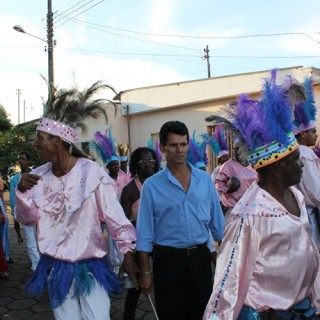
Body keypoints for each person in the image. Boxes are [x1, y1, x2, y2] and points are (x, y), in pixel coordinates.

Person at [14, 82, 138, 320]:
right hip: (56, 267)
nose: (35, 144)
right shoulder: (38, 176)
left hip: (90, 266)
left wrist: (128, 255)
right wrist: (21, 192)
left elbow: (115, 218)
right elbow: (27, 219)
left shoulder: (91, 173)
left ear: (57, 142)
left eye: (40, 138)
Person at [203, 70, 320, 319]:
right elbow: (227, 283)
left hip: (303, 310)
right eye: (296, 160)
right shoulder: (248, 216)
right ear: (278, 166)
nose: (302, 165)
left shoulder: (296, 197)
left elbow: (308, 253)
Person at [136, 120, 225, 320]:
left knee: (203, 313)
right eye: (173, 145)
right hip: (167, 261)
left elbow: (219, 227)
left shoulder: (205, 181)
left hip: (199, 260)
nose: (179, 150)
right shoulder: (151, 186)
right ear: (163, 147)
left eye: (183, 144)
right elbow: (144, 233)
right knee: (171, 314)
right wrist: (145, 271)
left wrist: (225, 261)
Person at [120, 147, 159, 320]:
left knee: (164, 278)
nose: (149, 165)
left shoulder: (160, 184)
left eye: (152, 161)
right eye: (144, 162)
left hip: (160, 240)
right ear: (136, 165)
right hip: (139, 240)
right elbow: (123, 221)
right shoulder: (129, 189)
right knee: (136, 283)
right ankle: (128, 315)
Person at [289, 76, 320, 248]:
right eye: (313, 131)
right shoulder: (306, 153)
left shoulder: (294, 153)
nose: (316, 135)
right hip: (309, 216)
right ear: (302, 134)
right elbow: (316, 191)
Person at [10, 151, 40, 271]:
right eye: (19, 159)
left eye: (23, 159)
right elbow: (13, 199)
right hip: (25, 214)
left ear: (28, 161)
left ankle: (45, 262)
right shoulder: (15, 179)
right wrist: (15, 217)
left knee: (42, 238)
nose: (21, 161)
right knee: (30, 240)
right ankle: (36, 266)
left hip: (39, 212)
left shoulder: (36, 174)